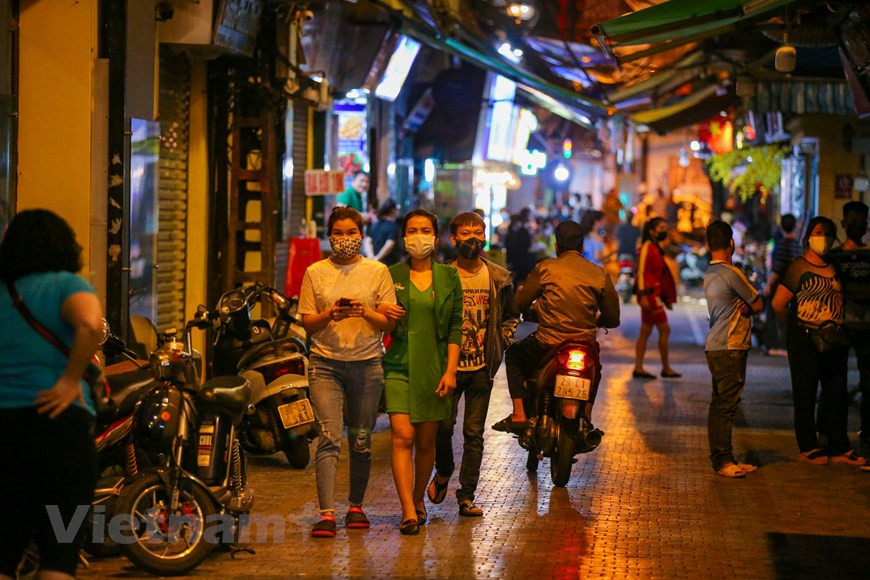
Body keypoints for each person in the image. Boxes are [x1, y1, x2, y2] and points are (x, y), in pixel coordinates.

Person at [0, 209, 105, 579]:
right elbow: (91, 324)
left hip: (4, 426)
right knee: (59, 552)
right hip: (60, 426)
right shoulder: (66, 285)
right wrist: (70, 379)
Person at [297, 206, 398, 538]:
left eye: (351, 233)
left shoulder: (377, 271)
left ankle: (356, 506)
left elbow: (387, 321)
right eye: (338, 233)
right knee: (328, 438)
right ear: (329, 236)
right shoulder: (315, 272)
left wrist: (365, 311)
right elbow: (308, 324)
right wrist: (331, 314)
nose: (344, 239)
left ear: (362, 235)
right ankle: (326, 513)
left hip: (367, 365)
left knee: (361, 439)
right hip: (325, 365)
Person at [427, 212, 519, 517]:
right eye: (466, 234)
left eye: (478, 232)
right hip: (448, 368)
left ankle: (466, 496)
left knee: (474, 434)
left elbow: (510, 315)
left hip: (482, 367)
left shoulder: (497, 276)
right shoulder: (440, 275)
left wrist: (502, 341)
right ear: (453, 239)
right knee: (443, 427)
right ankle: (444, 471)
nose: (473, 239)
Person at [494, 220, 620, 432]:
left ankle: (518, 413)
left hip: (547, 344)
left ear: (556, 246)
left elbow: (520, 303)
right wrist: (598, 320)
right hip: (584, 345)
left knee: (514, 356)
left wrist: (527, 309)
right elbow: (613, 318)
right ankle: (586, 416)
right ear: (582, 246)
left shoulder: (545, 268)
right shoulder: (599, 274)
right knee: (595, 370)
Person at [381, 208, 463, 535]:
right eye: (412, 230)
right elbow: (379, 319)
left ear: (436, 235)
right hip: (398, 363)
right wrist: (380, 311)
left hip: (435, 365)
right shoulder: (391, 275)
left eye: (425, 230)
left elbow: (456, 326)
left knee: (427, 442)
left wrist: (451, 370)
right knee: (403, 435)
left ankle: (418, 499)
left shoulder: (449, 277)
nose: (419, 236)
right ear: (404, 237)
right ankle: (406, 511)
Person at [772, 216, 865, 466]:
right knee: (805, 393)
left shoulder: (836, 266)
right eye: (817, 231)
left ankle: (838, 444)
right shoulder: (798, 267)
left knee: (836, 392)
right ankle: (808, 446)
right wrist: (793, 327)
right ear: (808, 236)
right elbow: (778, 304)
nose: (822, 237)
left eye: (827, 232)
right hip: (805, 340)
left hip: (834, 338)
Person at [703, 221, 764, 478]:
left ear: (708, 245)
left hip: (716, 346)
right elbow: (758, 302)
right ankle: (723, 460)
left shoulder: (709, 273)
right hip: (730, 345)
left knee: (721, 404)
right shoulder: (732, 273)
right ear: (731, 243)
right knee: (725, 406)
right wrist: (749, 305)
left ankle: (725, 457)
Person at [827, 201, 870, 462]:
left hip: (866, 330)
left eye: (862, 221)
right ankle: (836, 439)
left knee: (868, 385)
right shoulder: (834, 257)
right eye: (853, 221)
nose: (858, 226)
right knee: (835, 384)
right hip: (841, 327)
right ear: (843, 224)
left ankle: (866, 438)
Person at [633, 217, 680, 379]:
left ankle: (639, 367)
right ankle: (665, 367)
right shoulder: (647, 247)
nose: (664, 231)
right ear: (652, 231)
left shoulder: (655, 247)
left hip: (653, 294)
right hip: (649, 295)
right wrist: (643, 295)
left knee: (645, 331)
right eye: (661, 228)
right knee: (664, 329)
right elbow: (640, 271)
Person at [763, 214, 802, 355]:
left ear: (782, 227)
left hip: (780, 285)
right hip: (793, 285)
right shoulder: (798, 245)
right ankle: (786, 346)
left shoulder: (781, 245)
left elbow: (777, 269)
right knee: (789, 316)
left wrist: (768, 285)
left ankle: (775, 346)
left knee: (773, 314)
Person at [365, 198, 401, 266]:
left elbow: (368, 241)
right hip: (389, 264)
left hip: (374, 265)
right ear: (393, 211)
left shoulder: (374, 224)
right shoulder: (393, 226)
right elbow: (389, 245)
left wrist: (371, 257)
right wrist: (377, 258)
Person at [505, 208, 537, 284]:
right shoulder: (522, 231)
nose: (532, 217)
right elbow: (525, 248)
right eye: (531, 215)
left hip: (522, 262)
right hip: (523, 263)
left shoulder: (524, 229)